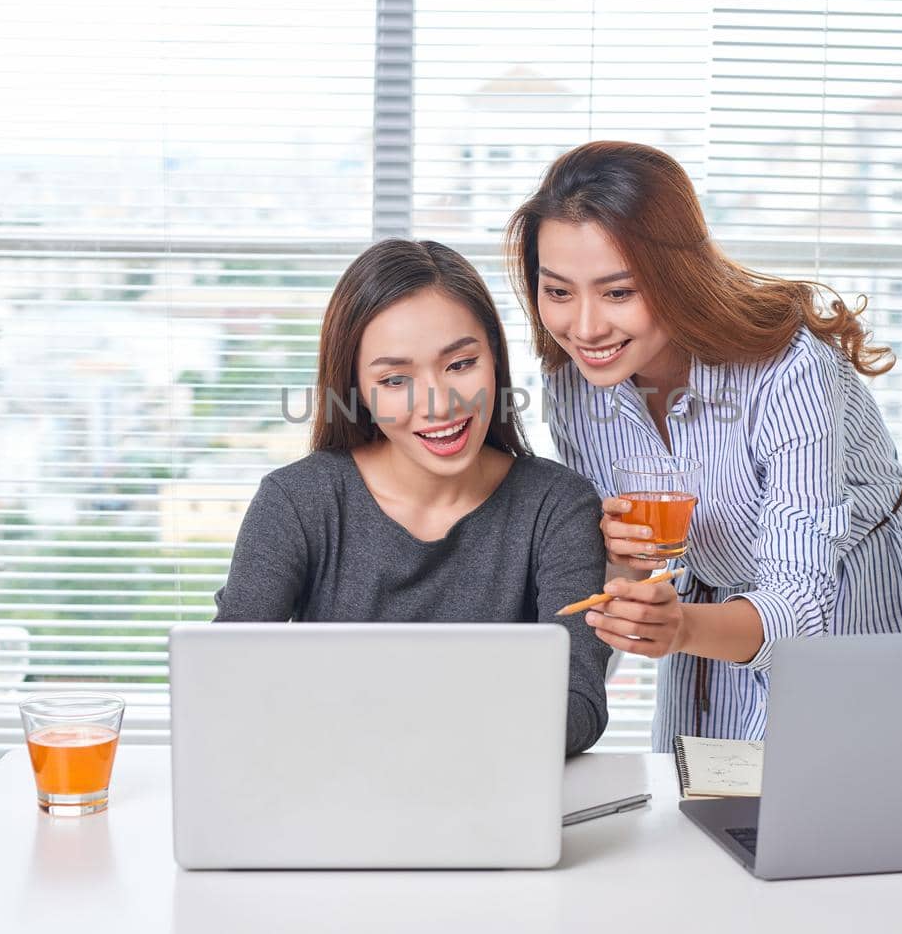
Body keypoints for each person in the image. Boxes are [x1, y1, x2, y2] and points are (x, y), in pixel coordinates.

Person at [506, 141, 902, 752]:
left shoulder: (789, 373)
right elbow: (633, 554)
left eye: (618, 292)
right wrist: (626, 568)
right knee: (702, 807)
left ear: (676, 278)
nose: (585, 328)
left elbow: (800, 604)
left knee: (838, 808)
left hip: (847, 598)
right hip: (708, 606)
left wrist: (680, 626)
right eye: (557, 292)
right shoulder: (574, 385)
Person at [214, 239, 610, 754]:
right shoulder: (297, 502)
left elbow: (578, 706)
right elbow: (225, 682)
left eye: (461, 364)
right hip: (330, 798)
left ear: (495, 358)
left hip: (489, 802)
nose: (439, 404)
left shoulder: (558, 506)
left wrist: (362, 718)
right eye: (395, 379)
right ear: (355, 388)